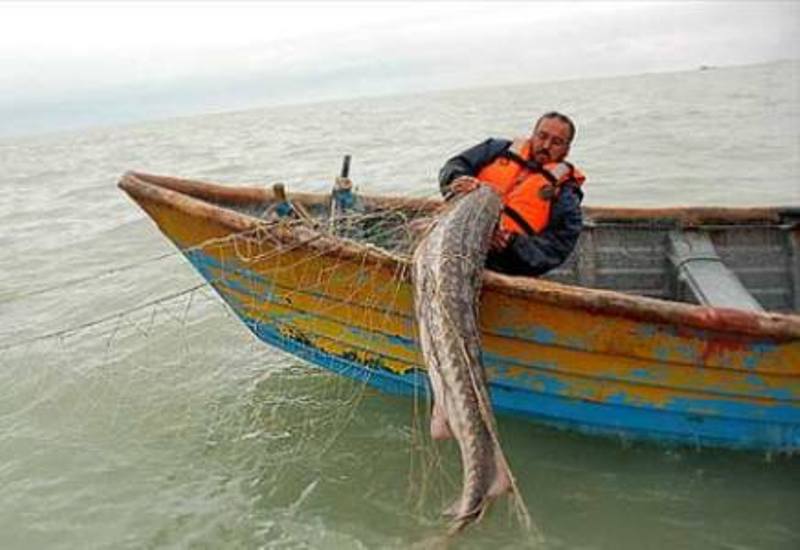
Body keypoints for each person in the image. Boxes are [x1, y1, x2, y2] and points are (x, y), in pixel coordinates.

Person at [438, 112, 586, 277]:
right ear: (533, 135)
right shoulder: (496, 149)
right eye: (542, 136)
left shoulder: (565, 193)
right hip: (456, 239)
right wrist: (458, 180)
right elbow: (455, 166)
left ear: (566, 150)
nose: (545, 145)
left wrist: (511, 242)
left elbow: (556, 247)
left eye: (556, 142)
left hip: (501, 268)